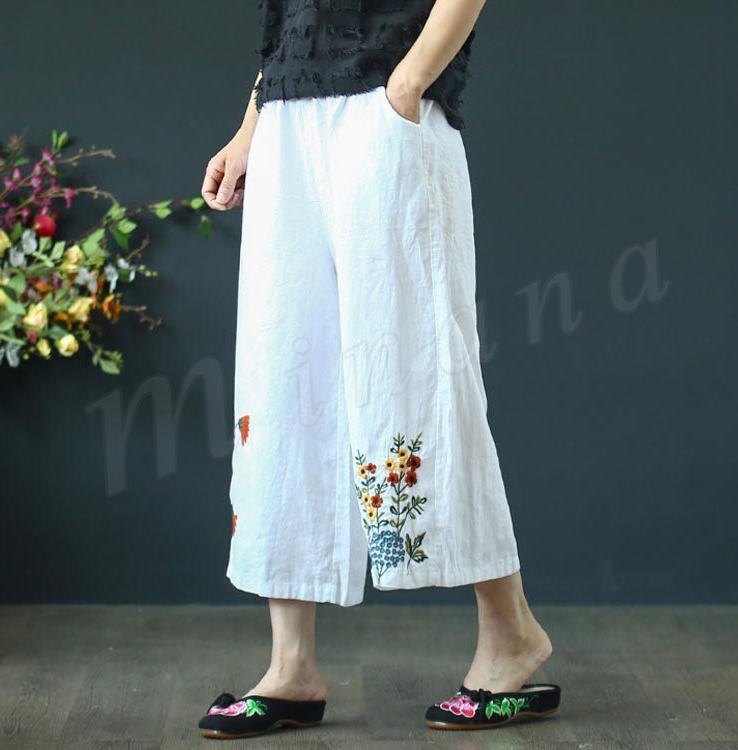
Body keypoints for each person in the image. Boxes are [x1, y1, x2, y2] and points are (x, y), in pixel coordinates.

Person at [198, 0, 560, 738]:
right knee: (283, 376)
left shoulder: (398, 96)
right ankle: (291, 667)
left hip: (386, 106)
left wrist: (407, 86)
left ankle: (512, 635)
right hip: (289, 122)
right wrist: (251, 126)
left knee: (423, 377)